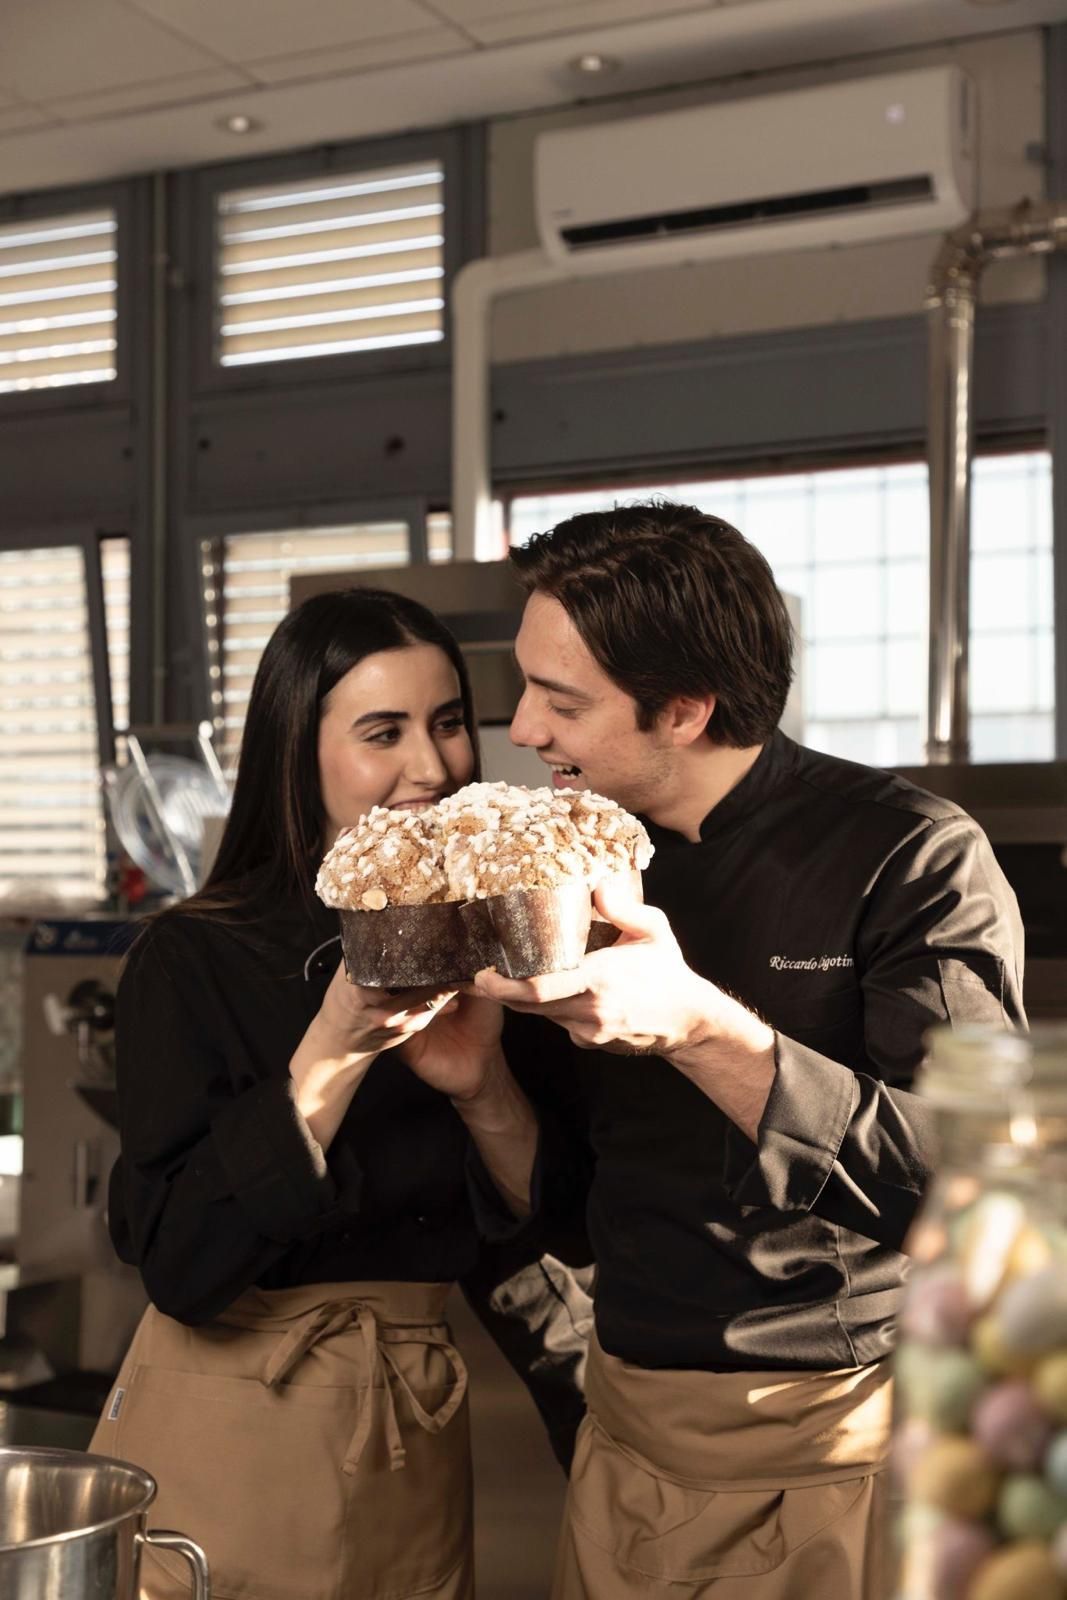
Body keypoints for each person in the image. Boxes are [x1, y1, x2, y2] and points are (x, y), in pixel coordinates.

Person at [471, 501, 1026, 1600]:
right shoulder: (555, 863)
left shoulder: (910, 857)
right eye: (525, 686)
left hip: (834, 1450)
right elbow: (561, 1198)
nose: (524, 729)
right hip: (625, 1435)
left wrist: (699, 1027)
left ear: (683, 709)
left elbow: (978, 1191)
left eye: (561, 700)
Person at [90, 587, 584, 1600]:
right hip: (231, 1421)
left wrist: (480, 1083)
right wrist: (335, 1044)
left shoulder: (502, 938)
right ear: (296, 749)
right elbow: (182, 1263)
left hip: (414, 1433)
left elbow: (551, 1228)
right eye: (380, 732)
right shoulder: (194, 956)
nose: (429, 767)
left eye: (447, 723)